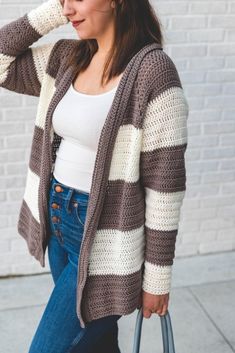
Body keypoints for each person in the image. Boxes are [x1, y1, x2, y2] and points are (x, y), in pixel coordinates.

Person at [0, 0, 189, 352]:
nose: (68, 8)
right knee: (95, 344)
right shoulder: (66, 58)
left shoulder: (153, 71)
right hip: (59, 221)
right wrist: (56, 11)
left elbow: (166, 186)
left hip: (107, 236)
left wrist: (158, 279)